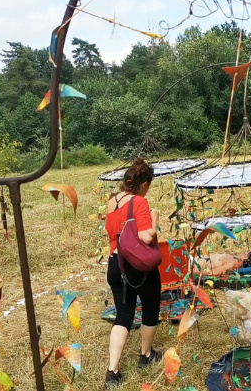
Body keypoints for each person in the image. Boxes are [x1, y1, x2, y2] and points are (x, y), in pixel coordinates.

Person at [104, 158, 162, 388]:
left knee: (123, 315)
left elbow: (113, 231)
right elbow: (146, 236)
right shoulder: (139, 202)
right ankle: (146, 356)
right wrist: (154, 220)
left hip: (114, 264)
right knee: (150, 307)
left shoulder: (112, 201)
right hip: (136, 267)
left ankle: (113, 371)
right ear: (144, 184)